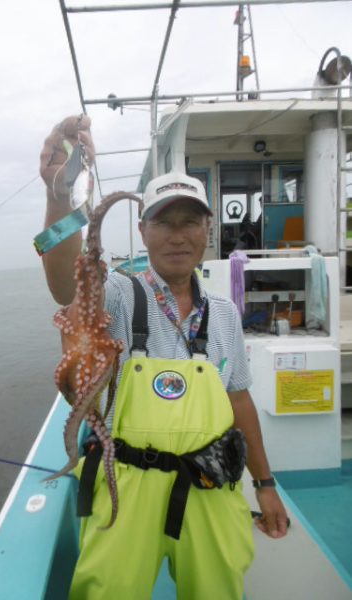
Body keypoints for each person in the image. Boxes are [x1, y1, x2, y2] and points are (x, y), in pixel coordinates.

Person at [40, 115, 288, 600]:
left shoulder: (223, 314)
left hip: (211, 484)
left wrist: (265, 482)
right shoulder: (116, 294)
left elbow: (239, 402)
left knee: (219, 590)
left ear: (207, 229)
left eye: (190, 221)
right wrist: (57, 193)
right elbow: (66, 283)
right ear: (143, 230)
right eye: (164, 222)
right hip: (125, 486)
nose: (178, 235)